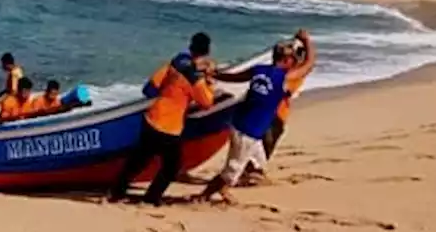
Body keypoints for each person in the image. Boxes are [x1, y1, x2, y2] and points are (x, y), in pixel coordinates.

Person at [198, 31, 316, 205]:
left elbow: (235, 77)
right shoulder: (282, 78)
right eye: (292, 60)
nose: (294, 63)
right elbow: (309, 65)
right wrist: (307, 41)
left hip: (242, 125)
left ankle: (226, 187)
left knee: (258, 164)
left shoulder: (258, 70)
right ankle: (204, 196)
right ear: (287, 60)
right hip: (248, 132)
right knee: (232, 169)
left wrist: (216, 74)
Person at [108, 33, 216, 206]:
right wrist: (208, 80)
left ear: (190, 46)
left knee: (138, 160)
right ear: (207, 52)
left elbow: (150, 88)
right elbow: (207, 103)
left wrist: (172, 91)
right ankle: (151, 198)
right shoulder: (195, 77)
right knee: (172, 166)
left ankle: (116, 192)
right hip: (169, 127)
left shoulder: (176, 62)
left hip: (152, 117)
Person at [245, 35, 316, 181]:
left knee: (262, 144)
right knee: (264, 143)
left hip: (273, 114)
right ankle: (252, 172)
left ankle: (252, 171)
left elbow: (308, 64)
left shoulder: (278, 73)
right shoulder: (288, 75)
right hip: (272, 114)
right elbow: (309, 64)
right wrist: (307, 41)